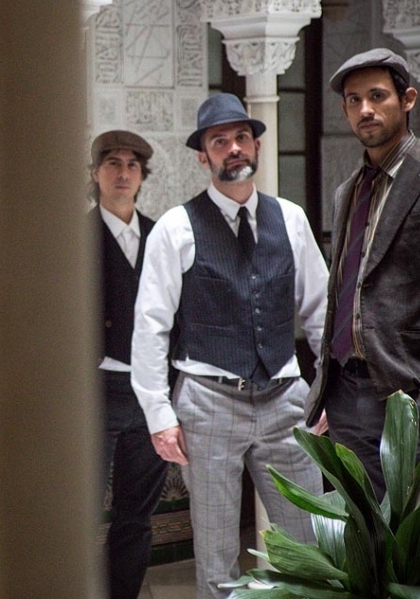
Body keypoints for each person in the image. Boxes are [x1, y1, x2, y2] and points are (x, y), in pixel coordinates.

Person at [130, 93, 327, 599]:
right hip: (208, 401)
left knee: (312, 540)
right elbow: (150, 325)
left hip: (286, 397)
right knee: (217, 554)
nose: (234, 148)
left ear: (256, 146)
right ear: (204, 157)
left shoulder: (291, 219)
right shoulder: (176, 227)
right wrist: (159, 414)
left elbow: (321, 311)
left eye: (242, 137)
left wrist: (329, 389)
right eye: (220, 141)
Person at [306, 48, 420, 509]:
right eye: (354, 100)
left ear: (407, 100)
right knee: (362, 531)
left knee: (418, 536)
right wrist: (327, 389)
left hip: (411, 391)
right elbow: (344, 291)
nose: (365, 109)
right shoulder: (348, 191)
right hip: (347, 393)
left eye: (377, 96)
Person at [89, 131, 169, 599]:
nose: (123, 173)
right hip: (93, 392)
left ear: (142, 176)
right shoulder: (74, 237)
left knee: (136, 515)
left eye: (132, 165)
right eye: (113, 164)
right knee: (79, 510)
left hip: (149, 392)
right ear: (95, 173)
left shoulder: (162, 236)